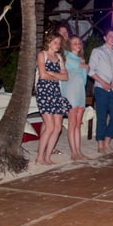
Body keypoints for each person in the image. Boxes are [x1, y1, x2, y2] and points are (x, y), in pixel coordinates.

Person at [35, 33, 71, 165]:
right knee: (49, 127)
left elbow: (65, 77)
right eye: (55, 42)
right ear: (48, 42)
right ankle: (40, 156)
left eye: (59, 43)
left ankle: (48, 156)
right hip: (44, 92)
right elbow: (43, 76)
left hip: (56, 92)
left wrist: (52, 74)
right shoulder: (42, 55)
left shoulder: (59, 57)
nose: (57, 45)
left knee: (58, 127)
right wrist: (56, 76)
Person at [88, 27, 113, 154]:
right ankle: (100, 142)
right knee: (101, 116)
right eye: (110, 36)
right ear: (105, 38)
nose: (112, 38)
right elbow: (91, 70)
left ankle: (108, 140)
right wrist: (102, 82)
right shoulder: (97, 51)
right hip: (100, 88)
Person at [61, 35, 89, 161]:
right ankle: (73, 152)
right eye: (75, 43)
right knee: (72, 123)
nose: (78, 45)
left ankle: (78, 151)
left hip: (80, 91)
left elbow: (85, 75)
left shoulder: (80, 59)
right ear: (69, 45)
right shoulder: (66, 56)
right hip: (71, 91)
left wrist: (84, 65)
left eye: (79, 43)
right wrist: (84, 65)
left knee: (78, 124)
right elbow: (81, 66)